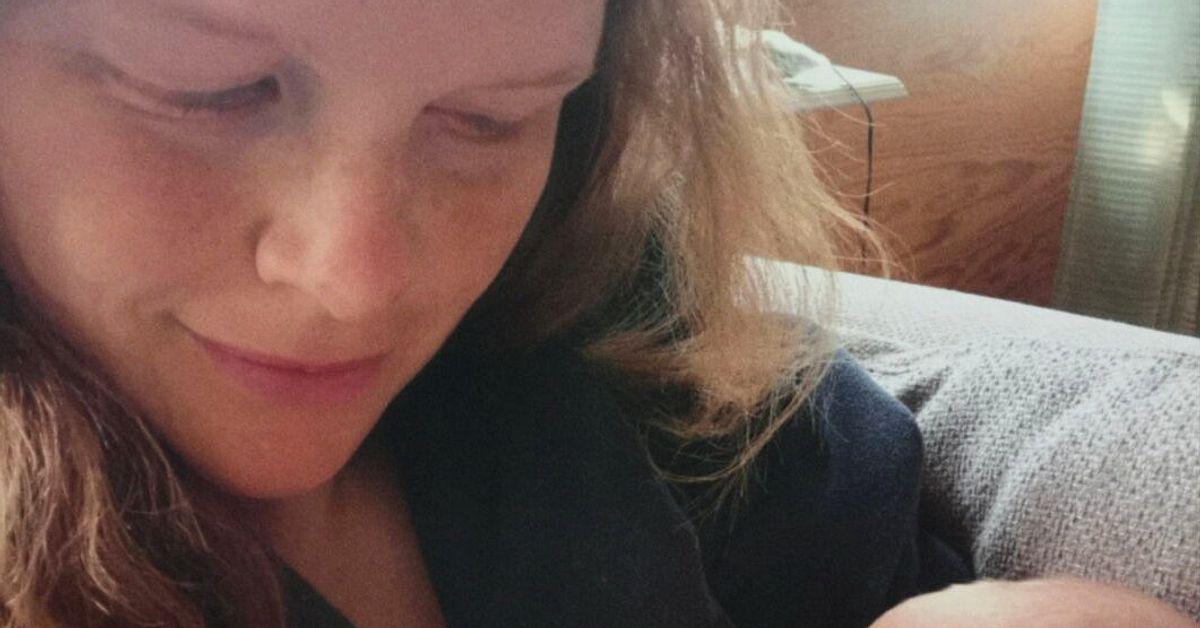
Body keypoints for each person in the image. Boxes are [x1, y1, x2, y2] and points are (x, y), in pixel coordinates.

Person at [0, 0, 1195, 626]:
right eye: (205, 91)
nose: (359, 281)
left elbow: (875, 541)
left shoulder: (600, 321)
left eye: (491, 119)